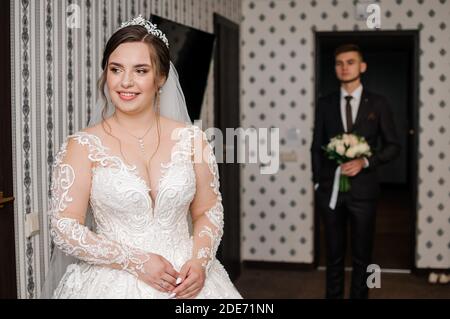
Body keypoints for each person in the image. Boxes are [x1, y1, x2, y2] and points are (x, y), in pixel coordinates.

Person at [41, 15, 242, 299]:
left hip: (188, 280)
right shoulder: (83, 146)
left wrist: (200, 262)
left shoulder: (192, 140)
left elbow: (207, 211)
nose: (125, 82)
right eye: (116, 69)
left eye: (140, 71)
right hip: (111, 281)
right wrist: (135, 261)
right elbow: (65, 227)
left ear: (161, 78)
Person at [311, 44, 400, 299]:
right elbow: (317, 146)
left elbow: (394, 146)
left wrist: (366, 162)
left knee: (362, 256)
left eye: (350, 62)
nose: (344, 67)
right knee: (333, 255)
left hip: (364, 192)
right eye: (339, 63)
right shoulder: (325, 103)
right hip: (330, 192)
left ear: (362, 67)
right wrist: (318, 183)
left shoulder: (379, 103)